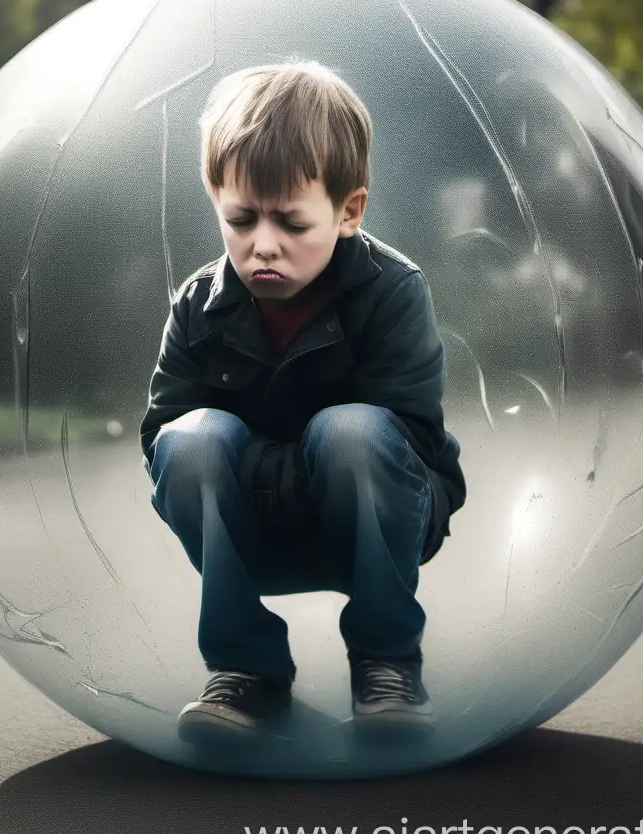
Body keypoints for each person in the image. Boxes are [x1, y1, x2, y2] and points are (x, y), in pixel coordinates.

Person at [139, 58, 466, 743]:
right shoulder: (200, 304)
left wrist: (280, 469)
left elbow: (413, 437)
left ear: (349, 211)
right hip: (256, 529)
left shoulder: (393, 289)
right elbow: (162, 437)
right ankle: (247, 668)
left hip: (379, 519)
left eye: (291, 221)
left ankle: (386, 660)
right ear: (216, 202)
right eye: (240, 218)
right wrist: (259, 477)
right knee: (191, 440)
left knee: (352, 430)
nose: (263, 245)